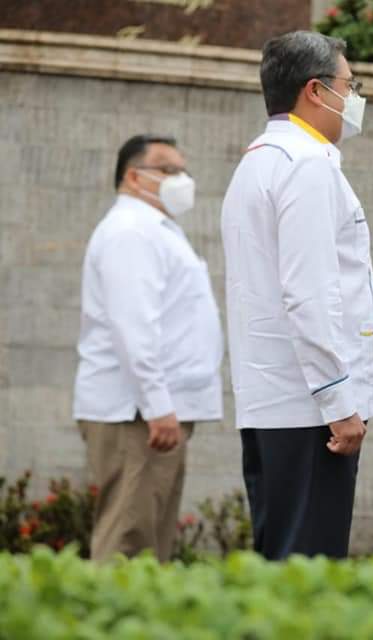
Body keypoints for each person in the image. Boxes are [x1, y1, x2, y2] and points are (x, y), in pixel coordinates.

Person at [220, 31, 373, 560]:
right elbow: (309, 295)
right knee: (309, 568)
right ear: (316, 90)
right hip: (312, 410)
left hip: (275, 403)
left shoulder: (259, 161)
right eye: (349, 84)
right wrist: (339, 402)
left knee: (282, 560)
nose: (354, 97)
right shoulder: (307, 164)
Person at [74, 134, 223, 562]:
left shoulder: (157, 230)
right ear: (134, 176)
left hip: (153, 412)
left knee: (150, 541)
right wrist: (157, 405)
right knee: (129, 539)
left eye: (184, 169)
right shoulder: (130, 232)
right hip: (138, 415)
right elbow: (133, 326)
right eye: (170, 169)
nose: (183, 179)